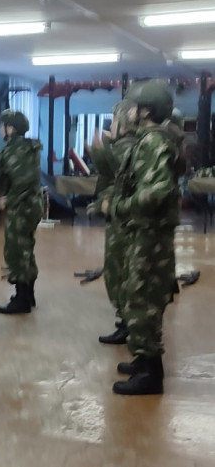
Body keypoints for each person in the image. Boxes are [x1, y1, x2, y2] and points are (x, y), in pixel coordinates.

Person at [108, 81, 181, 396]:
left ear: (146, 111)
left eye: (134, 107)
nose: (129, 112)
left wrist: (122, 206)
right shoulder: (148, 140)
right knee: (136, 295)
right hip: (144, 231)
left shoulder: (153, 142)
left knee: (142, 300)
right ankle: (144, 360)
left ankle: (151, 374)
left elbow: (158, 189)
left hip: (150, 234)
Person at [89, 101, 137, 345]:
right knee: (121, 269)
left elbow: (115, 178)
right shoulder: (124, 145)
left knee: (118, 270)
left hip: (123, 219)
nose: (112, 124)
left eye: (115, 119)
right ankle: (127, 321)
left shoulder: (126, 146)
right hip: (122, 215)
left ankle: (128, 323)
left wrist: (101, 151)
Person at [0, 109, 42, 314]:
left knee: (16, 251)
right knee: (26, 249)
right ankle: (28, 294)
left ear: (11, 129)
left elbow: (23, 180)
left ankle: (22, 299)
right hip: (31, 205)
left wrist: (9, 199)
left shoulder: (15, 151)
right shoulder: (27, 147)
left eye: (3, 125)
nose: (0, 129)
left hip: (21, 207)